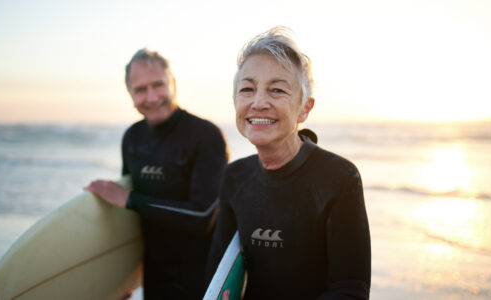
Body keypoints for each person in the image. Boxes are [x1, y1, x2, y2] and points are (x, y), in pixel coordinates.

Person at [206, 27, 371, 299]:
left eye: (277, 90)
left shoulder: (339, 179)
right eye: (247, 89)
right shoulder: (235, 177)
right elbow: (217, 274)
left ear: (305, 108)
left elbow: (350, 291)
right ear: (235, 101)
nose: (258, 102)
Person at [85, 49, 228, 299]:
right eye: (140, 89)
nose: (151, 97)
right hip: (154, 277)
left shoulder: (205, 136)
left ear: (172, 84)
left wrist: (130, 199)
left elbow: (202, 215)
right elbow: (131, 222)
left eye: (158, 85)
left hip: (201, 276)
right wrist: (120, 279)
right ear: (130, 94)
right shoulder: (133, 138)